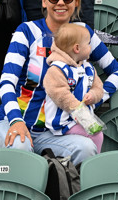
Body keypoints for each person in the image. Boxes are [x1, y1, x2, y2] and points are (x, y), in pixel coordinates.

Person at [0, 0, 118, 165]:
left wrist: (94, 98)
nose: (60, 3)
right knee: (21, 147)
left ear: (76, 1)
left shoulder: (84, 33)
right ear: (44, 1)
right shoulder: (26, 31)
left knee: (86, 148)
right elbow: (6, 83)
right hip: (12, 121)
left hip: (57, 132)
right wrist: (15, 120)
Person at [44, 23, 104, 153]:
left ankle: (91, 163)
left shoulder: (88, 68)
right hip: (63, 123)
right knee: (96, 135)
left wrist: (93, 95)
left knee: (97, 134)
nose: (90, 47)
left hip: (80, 120)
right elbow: (61, 95)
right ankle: (93, 165)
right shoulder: (56, 70)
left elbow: (99, 87)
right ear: (77, 48)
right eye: (88, 44)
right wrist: (80, 112)